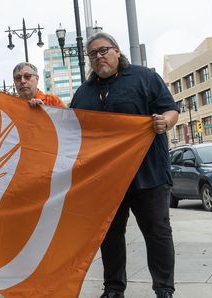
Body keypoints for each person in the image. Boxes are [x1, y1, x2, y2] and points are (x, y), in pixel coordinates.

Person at [70, 32, 179, 298]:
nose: (99, 56)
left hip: (148, 175)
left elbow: (171, 109)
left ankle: (164, 289)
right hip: (106, 182)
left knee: (158, 233)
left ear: (117, 51)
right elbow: (68, 130)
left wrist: (164, 122)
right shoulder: (83, 93)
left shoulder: (145, 78)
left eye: (103, 50)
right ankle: (114, 289)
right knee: (110, 236)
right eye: (92, 54)